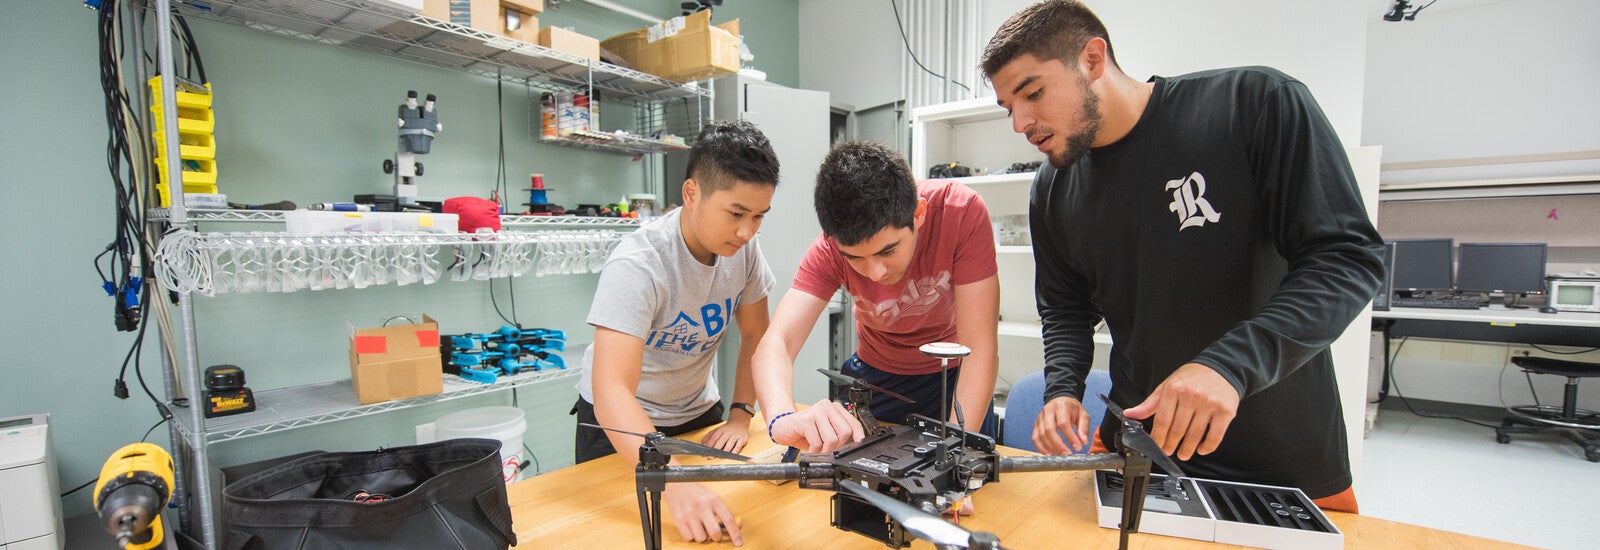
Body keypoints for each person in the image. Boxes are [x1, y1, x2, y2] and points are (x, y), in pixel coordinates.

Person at [980, 1, 1384, 513]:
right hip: (1140, 447)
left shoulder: (1253, 104)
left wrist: (1228, 366)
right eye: (1008, 107)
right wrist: (1062, 389)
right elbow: (1066, 308)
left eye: (1033, 93)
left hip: (1277, 457)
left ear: (1093, 59)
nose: (1021, 123)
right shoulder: (1052, 188)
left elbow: (1345, 257)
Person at [571, 120, 780, 546]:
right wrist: (673, 481)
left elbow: (757, 335)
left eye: (759, 216)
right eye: (736, 214)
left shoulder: (744, 251)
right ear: (691, 193)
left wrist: (741, 414)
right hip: (620, 426)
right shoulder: (638, 265)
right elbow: (612, 391)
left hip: (696, 414)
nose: (747, 231)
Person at [753, 141, 1000, 455]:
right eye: (855, 258)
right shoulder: (829, 248)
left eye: (888, 250)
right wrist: (781, 419)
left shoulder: (960, 212)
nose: (875, 273)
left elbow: (979, 347)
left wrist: (953, 455)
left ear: (919, 214)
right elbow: (778, 341)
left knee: (962, 470)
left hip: (953, 376)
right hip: (877, 378)